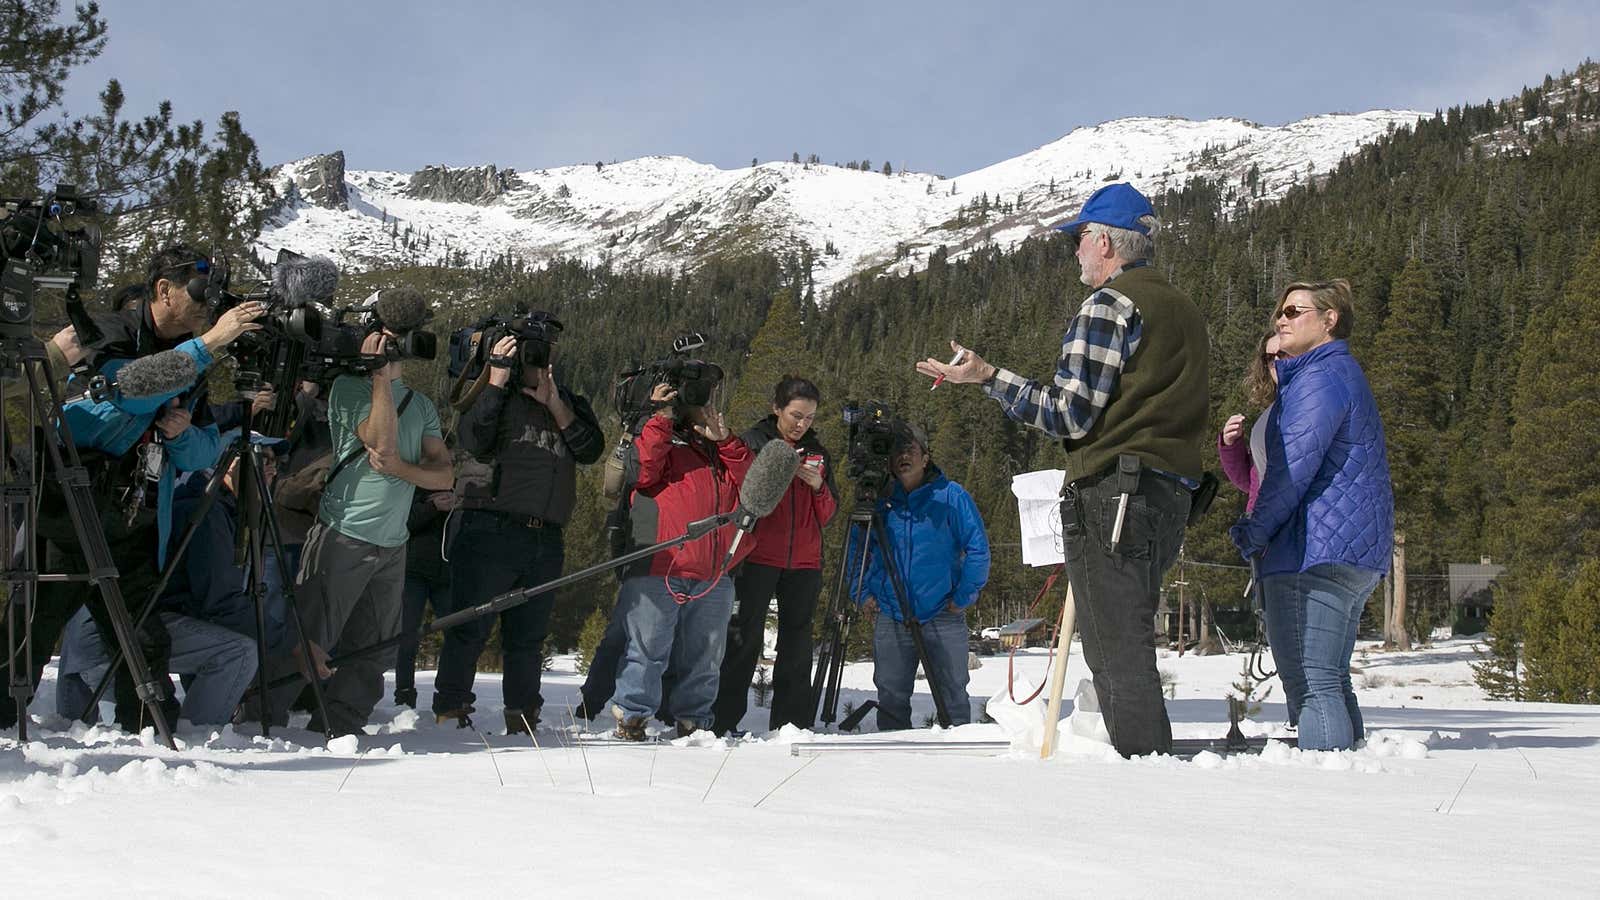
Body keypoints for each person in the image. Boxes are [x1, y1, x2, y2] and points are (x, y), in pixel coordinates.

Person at [916, 182, 1208, 757]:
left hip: (1114, 496)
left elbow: (1069, 415)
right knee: (1127, 637)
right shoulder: (1184, 308)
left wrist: (989, 378)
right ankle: (1148, 767)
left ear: (1104, 241)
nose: (1075, 251)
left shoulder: (1110, 305)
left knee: (1114, 648)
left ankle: (1147, 776)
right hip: (1169, 495)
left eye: (1079, 238)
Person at [0, 245, 266, 732]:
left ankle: (147, 734)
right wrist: (208, 344)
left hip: (135, 519)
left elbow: (206, 452)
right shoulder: (106, 332)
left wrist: (183, 435)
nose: (208, 305)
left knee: (144, 638)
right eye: (199, 290)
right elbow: (125, 390)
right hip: (69, 512)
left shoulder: (190, 354)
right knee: (30, 630)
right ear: (164, 289)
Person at [263, 289, 453, 737]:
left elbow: (444, 476)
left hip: (392, 543)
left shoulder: (421, 405)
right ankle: (260, 719)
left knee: (372, 649)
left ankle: (341, 726)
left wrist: (401, 470)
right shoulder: (348, 389)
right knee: (308, 642)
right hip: (343, 534)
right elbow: (380, 442)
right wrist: (380, 380)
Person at [1230, 280, 1393, 751]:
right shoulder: (1336, 374)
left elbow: (1292, 469)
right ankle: (1347, 770)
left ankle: (1326, 784)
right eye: (1280, 312)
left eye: (1294, 311)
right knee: (1331, 679)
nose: (1281, 319)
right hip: (1346, 548)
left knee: (1310, 684)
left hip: (1312, 553)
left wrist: (1254, 530)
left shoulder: (1319, 379)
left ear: (1329, 319)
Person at [430, 321, 605, 732]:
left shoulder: (569, 401)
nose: (539, 360)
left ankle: (523, 715)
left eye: (547, 351)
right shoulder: (495, 395)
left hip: (546, 535)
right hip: (492, 526)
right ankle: (450, 710)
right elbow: (474, 440)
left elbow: (591, 450)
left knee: (528, 638)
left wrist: (556, 405)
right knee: (469, 626)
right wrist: (495, 378)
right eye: (532, 350)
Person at [54, 433, 290, 727]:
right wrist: (289, 644)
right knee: (238, 652)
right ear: (228, 464)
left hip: (106, 644)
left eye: (276, 461)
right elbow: (220, 603)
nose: (272, 469)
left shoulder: (204, 502)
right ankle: (196, 741)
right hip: (116, 649)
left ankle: (180, 731)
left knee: (219, 644)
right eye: (262, 458)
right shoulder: (204, 513)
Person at [608, 376, 751, 740]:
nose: (701, 405)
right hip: (660, 563)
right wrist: (661, 416)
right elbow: (641, 473)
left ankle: (694, 723)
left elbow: (754, 488)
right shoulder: (658, 435)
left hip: (714, 571)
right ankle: (632, 718)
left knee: (706, 658)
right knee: (647, 651)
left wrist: (728, 442)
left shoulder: (723, 447)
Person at [712, 376, 838, 735]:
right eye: (796, 415)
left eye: (810, 418)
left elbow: (828, 515)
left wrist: (818, 487)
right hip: (758, 557)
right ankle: (723, 722)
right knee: (742, 640)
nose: (802, 424)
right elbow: (739, 494)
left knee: (797, 645)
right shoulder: (754, 443)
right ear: (777, 409)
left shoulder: (817, 452)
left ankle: (792, 725)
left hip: (805, 562)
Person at [847, 423, 988, 731]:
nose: (903, 458)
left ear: (926, 458)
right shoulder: (879, 499)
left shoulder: (951, 496)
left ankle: (958, 765)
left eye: (911, 451)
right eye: (897, 452)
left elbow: (978, 548)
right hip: (891, 612)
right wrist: (860, 594)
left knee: (953, 699)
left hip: (942, 612)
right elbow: (857, 549)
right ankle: (897, 767)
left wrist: (964, 596)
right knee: (891, 697)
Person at [392, 482, 456, 710]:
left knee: (456, 634)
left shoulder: (459, 487)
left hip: (447, 573)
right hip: (413, 571)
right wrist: (430, 508)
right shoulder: (409, 486)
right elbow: (401, 524)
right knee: (407, 636)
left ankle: (450, 698)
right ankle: (404, 695)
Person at [1219, 329, 1286, 513]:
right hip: (1261, 522)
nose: (1277, 363)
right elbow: (1251, 481)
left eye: (1284, 354)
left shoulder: (1311, 405)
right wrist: (1231, 445)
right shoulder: (1274, 411)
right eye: (1270, 359)